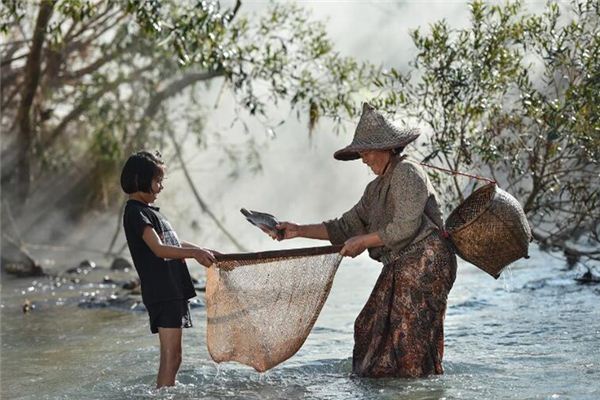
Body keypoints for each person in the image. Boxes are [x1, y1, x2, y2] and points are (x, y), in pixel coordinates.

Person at [269, 103, 457, 378]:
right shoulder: (375, 189)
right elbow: (346, 227)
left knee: (409, 336)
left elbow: (405, 226)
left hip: (425, 263)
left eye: (368, 152)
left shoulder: (407, 172)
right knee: (369, 326)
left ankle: (414, 390)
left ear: (388, 148)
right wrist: (297, 230)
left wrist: (364, 242)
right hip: (401, 265)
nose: (364, 159)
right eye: (361, 154)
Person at [120, 150, 217, 388]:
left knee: (175, 358)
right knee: (171, 358)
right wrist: (194, 254)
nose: (160, 187)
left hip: (171, 290)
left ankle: (167, 392)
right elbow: (159, 249)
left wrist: (202, 250)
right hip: (163, 291)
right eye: (157, 181)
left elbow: (173, 244)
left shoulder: (149, 212)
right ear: (140, 180)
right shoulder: (136, 212)